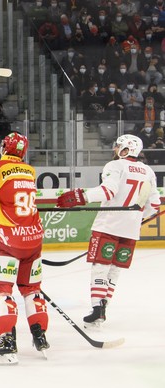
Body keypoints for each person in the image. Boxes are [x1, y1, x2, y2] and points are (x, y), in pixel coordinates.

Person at [56, 134, 160, 327]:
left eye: (119, 146)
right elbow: (154, 205)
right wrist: (137, 218)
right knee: (114, 271)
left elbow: (108, 191)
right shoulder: (148, 171)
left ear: (127, 149)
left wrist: (81, 196)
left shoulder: (115, 166)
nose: (115, 149)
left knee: (100, 268)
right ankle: (104, 308)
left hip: (109, 225)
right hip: (130, 230)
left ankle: (97, 308)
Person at [0, 132, 49, 365]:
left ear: (4, 147)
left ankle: (6, 341)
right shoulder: (29, 170)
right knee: (31, 289)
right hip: (34, 239)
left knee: (1, 290)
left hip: (7, 241)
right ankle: (39, 333)